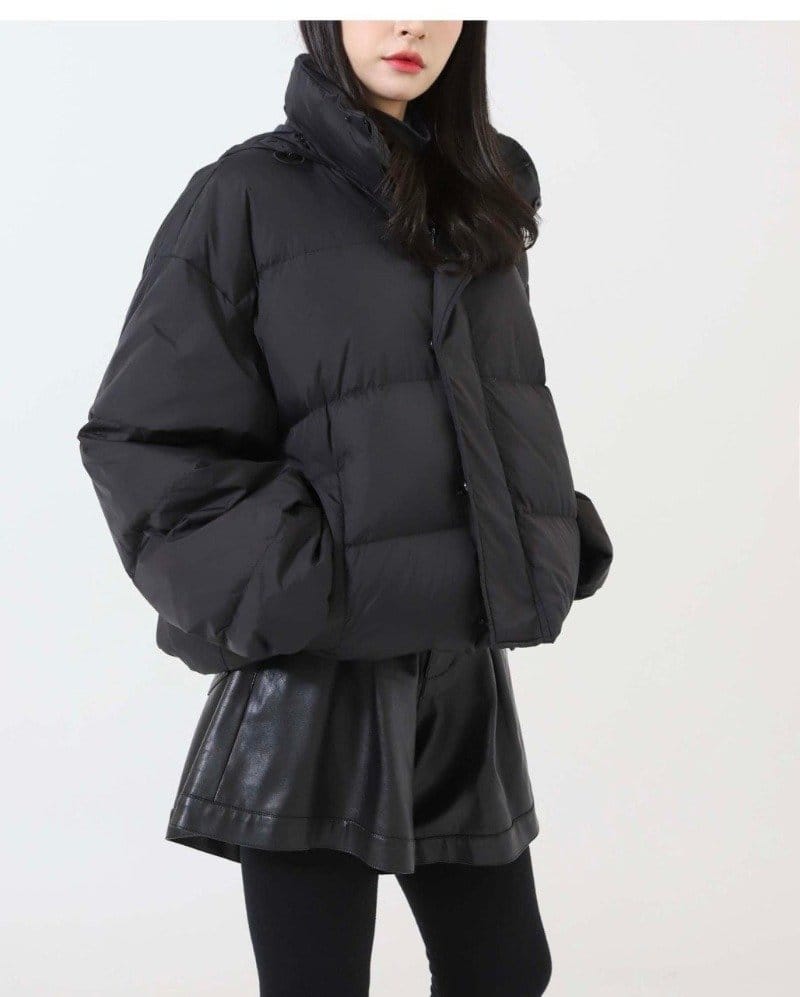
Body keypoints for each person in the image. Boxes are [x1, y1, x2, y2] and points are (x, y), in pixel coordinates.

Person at [77, 19, 612, 997]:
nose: (410, 22)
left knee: (504, 969)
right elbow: (143, 437)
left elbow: (483, 404)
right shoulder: (246, 195)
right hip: (317, 680)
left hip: (458, 669)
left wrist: (536, 527)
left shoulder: (481, 198)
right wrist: (301, 582)